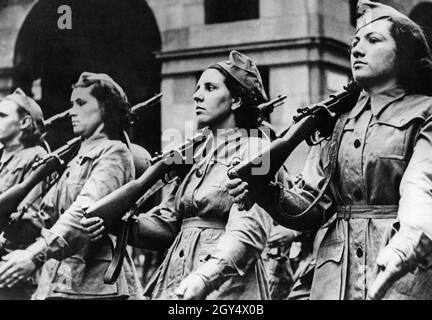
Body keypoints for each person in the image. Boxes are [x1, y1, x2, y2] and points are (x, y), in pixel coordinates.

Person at [227, 0, 432, 300]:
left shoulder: (427, 112)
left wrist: (407, 242)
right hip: (334, 280)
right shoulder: (336, 122)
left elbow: (421, 185)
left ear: (405, 54)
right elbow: (312, 208)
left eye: (374, 40)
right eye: (355, 43)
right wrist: (265, 192)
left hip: (400, 271)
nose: (357, 50)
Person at [83, 51, 273, 300]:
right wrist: (119, 224)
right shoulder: (193, 155)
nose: (196, 95)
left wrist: (206, 277)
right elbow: (169, 224)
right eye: (197, 88)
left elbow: (249, 231)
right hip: (177, 281)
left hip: (226, 288)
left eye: (210, 87)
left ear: (236, 100)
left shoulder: (258, 148)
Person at [0, 72, 143, 299]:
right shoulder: (73, 159)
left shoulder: (114, 152)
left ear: (105, 107)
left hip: (97, 284)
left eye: (81, 103)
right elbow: (44, 216)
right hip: (60, 279)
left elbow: (84, 211)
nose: (72, 111)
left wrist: (34, 255)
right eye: (71, 104)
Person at [0, 88, 47, 299]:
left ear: (25, 122)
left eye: (2, 115)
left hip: (10, 270)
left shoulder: (37, 157)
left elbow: (31, 218)